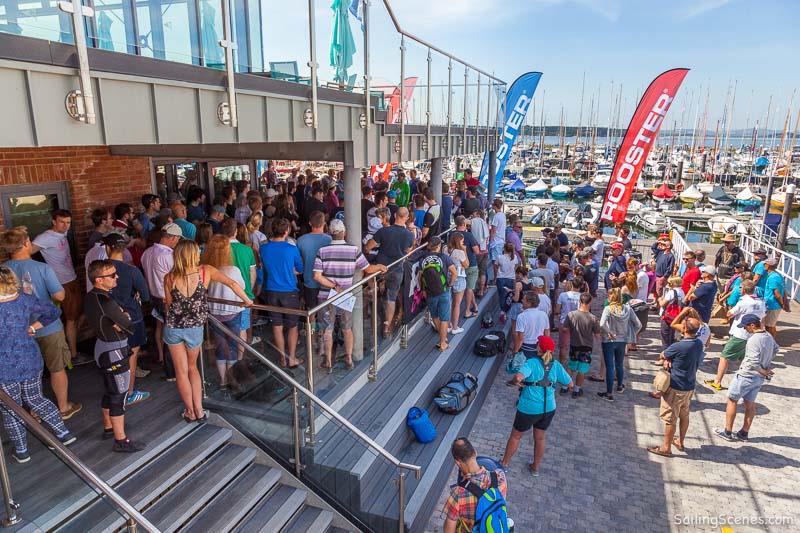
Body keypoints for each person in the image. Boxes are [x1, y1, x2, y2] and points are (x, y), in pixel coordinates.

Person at [164, 240, 251, 422]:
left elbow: (168, 305)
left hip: (174, 328)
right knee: (192, 369)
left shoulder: (170, 277)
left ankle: (190, 412)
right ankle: (200, 410)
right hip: (195, 329)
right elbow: (233, 284)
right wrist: (247, 301)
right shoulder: (205, 271)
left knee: (181, 372)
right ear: (194, 254)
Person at [1, 228, 82, 419]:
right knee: (57, 367)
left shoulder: (3, 270)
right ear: (26, 243)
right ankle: (63, 407)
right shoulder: (42, 268)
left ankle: (33, 411)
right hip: (48, 326)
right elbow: (59, 295)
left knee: (28, 374)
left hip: (17, 330)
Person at [0, 266, 76, 463]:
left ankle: (22, 451)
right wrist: (33, 327)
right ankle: (63, 433)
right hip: (30, 357)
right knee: (36, 398)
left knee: (11, 408)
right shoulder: (24, 299)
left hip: (4, 365)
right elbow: (52, 312)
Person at [84, 259, 145, 452]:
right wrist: (123, 318)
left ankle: (109, 427)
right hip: (114, 350)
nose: (116, 277)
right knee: (119, 394)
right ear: (99, 280)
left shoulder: (91, 296)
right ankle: (121, 440)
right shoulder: (106, 301)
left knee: (110, 389)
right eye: (111, 275)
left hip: (103, 347)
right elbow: (129, 326)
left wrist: (120, 319)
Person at [313, 220, 386, 370]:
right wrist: (379, 266)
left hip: (326, 296)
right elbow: (368, 268)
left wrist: (333, 285)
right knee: (347, 328)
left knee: (327, 329)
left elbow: (317, 276)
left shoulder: (322, 251)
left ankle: (327, 361)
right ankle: (349, 359)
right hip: (345, 295)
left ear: (330, 233)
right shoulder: (353, 250)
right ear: (344, 233)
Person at [500, 335, 572, 475]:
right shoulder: (556, 365)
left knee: (516, 436)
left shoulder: (532, 363)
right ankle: (535, 468)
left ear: (539, 348)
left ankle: (504, 464)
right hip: (549, 408)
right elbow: (570, 384)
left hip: (529, 408)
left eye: (538, 343)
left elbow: (518, 377)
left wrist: (514, 382)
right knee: (540, 438)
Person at [31, 209, 89, 366]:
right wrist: (41, 273)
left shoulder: (61, 235)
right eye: (62, 222)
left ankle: (69, 347)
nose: (65, 225)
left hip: (72, 278)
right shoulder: (45, 237)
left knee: (80, 313)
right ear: (54, 221)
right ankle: (73, 355)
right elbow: (26, 252)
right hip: (61, 282)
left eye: (68, 222)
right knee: (71, 319)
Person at [715, 315, 778, 442]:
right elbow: (776, 349)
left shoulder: (754, 340)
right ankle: (744, 432)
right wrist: (766, 364)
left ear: (753, 325)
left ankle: (727, 431)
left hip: (746, 376)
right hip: (758, 379)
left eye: (745, 326)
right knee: (750, 405)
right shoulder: (768, 336)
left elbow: (752, 363)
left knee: (732, 400)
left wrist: (764, 370)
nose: (744, 329)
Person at [104, 234, 151, 404]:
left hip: (107, 317)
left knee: (112, 356)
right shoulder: (131, 270)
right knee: (131, 355)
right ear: (124, 249)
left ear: (107, 248)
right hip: (132, 317)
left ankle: (115, 391)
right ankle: (128, 393)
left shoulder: (98, 270)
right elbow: (145, 296)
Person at [648, 317, 704, 457]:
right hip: (689, 386)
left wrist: (667, 359)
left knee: (670, 418)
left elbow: (663, 354)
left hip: (676, 386)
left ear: (684, 329)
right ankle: (680, 441)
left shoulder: (679, 346)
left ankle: (666, 448)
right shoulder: (698, 343)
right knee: (684, 415)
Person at [704, 280, 765, 392]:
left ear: (744, 290)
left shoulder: (744, 302)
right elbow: (763, 317)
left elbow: (730, 313)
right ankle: (747, 382)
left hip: (740, 334)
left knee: (725, 356)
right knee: (744, 359)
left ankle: (717, 381)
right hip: (753, 335)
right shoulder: (761, 302)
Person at [259, 219, 305, 367]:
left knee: (277, 326)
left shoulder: (263, 248)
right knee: (292, 326)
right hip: (289, 291)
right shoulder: (291, 249)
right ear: (286, 232)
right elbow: (300, 269)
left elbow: (264, 267)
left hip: (271, 291)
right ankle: (291, 358)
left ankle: (282, 359)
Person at [203, 235, 247, 386]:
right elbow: (242, 287)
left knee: (220, 347)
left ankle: (222, 381)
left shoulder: (206, 269)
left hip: (214, 314)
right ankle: (232, 380)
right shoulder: (233, 270)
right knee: (233, 347)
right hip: (233, 312)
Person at [141, 222, 183, 378]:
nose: (178, 242)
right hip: (168, 298)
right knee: (172, 335)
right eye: (178, 238)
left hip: (154, 297)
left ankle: (165, 362)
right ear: (172, 238)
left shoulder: (147, 252)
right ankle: (172, 371)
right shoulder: (168, 256)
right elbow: (177, 279)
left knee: (163, 329)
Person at [366, 207, 414, 336]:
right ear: (407, 217)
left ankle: (372, 308)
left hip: (379, 269)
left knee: (375, 293)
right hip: (397, 269)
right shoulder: (410, 234)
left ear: (394, 215)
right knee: (391, 297)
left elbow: (368, 247)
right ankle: (387, 325)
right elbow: (407, 252)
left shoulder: (383, 231)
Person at [442, 437, 508, 533]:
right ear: (475, 452)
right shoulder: (499, 476)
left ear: (457, 462)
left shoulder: (459, 493)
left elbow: (449, 527)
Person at [598, 288, 641, 402]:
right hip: (623, 340)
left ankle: (609, 393)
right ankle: (620, 386)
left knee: (610, 367)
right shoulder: (628, 309)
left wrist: (609, 332)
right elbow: (638, 325)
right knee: (619, 364)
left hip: (609, 340)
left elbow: (602, 323)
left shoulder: (608, 309)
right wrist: (631, 334)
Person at [221, 218, 256, 343]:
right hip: (243, 295)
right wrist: (247, 290)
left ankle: (225, 360)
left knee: (221, 331)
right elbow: (252, 275)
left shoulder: (216, 250)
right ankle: (240, 360)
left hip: (220, 296)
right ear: (235, 231)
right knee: (242, 329)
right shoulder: (247, 250)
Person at [419, 236, 458, 351]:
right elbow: (454, 273)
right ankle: (442, 343)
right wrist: (450, 285)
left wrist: (424, 290)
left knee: (435, 316)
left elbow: (421, 277)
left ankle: (443, 337)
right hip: (444, 290)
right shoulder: (444, 257)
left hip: (430, 292)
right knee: (445, 318)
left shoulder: (423, 259)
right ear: (439, 246)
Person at [565, 292, 600, 399]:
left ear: (579, 301)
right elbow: (597, 335)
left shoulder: (571, 315)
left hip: (574, 345)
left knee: (571, 366)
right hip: (587, 347)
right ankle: (576, 389)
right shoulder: (593, 318)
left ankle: (564, 386)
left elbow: (565, 329)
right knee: (582, 369)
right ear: (590, 303)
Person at [297, 212, 332, 308]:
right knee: (326, 312)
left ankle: (312, 324)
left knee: (311, 311)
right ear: (324, 223)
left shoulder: (300, 240)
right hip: (327, 281)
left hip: (309, 281)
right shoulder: (330, 240)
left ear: (309, 223)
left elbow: (298, 263)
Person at [453, 216, 480, 318]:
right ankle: (467, 311)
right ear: (464, 224)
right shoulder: (468, 235)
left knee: (466, 288)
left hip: (456, 266)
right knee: (469, 288)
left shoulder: (451, 235)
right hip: (470, 264)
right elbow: (477, 251)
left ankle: (475, 306)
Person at [555, 277, 583, 365]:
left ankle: (561, 364)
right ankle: (573, 364)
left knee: (563, 346)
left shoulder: (563, 295)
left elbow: (557, 310)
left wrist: (559, 316)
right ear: (581, 286)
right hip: (577, 323)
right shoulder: (582, 296)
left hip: (565, 322)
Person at [447, 232, 469, 335]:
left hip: (448, 276)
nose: (463, 242)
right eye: (462, 240)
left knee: (449, 303)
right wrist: (464, 251)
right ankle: (455, 327)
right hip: (459, 278)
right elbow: (466, 265)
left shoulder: (445, 249)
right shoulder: (459, 252)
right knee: (457, 304)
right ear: (458, 241)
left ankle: (447, 325)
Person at [762, 257, 790, 337]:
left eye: (765, 263)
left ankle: (771, 343)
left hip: (772, 305)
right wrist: (785, 303)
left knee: (769, 326)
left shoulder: (772, 277)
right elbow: (784, 291)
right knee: (771, 325)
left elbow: (777, 293)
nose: (764, 265)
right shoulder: (778, 275)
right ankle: (772, 342)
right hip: (773, 305)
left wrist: (782, 304)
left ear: (768, 265)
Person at [658, 276, 685, 349]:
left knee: (665, 336)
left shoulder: (672, 292)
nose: (668, 284)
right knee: (672, 336)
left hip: (667, 316)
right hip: (676, 316)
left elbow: (662, 304)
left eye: (670, 283)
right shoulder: (682, 292)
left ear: (674, 283)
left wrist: (659, 300)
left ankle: (666, 355)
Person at [496, 243, 519, 324]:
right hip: (511, 279)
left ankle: (503, 312)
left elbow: (496, 266)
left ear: (504, 249)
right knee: (509, 296)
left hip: (501, 278)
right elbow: (516, 266)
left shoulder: (500, 257)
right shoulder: (514, 257)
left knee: (502, 296)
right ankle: (507, 311)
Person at [470, 210, 490, 298]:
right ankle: (481, 291)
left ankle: (472, 289)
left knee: (474, 270)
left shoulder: (476, 221)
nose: (472, 215)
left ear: (478, 214)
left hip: (477, 250)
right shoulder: (485, 224)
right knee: (482, 272)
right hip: (485, 250)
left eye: (473, 214)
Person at [507, 266, 532, 335]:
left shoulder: (518, 284)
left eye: (517, 274)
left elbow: (516, 299)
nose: (516, 276)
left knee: (515, 327)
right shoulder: (531, 282)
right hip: (527, 306)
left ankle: (516, 344)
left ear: (520, 273)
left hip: (517, 306)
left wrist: (510, 294)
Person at [489, 199, 506, 280]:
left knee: (495, 262)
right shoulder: (503, 215)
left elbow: (493, 230)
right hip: (501, 240)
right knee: (498, 261)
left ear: (494, 206)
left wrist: (490, 240)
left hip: (496, 241)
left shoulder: (496, 216)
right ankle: (498, 277)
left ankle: (496, 278)